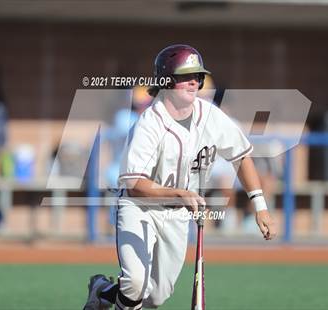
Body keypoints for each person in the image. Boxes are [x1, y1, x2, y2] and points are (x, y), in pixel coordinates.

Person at [82, 44, 276, 310]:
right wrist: (181, 194)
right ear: (167, 81)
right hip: (139, 207)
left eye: (198, 75)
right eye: (186, 75)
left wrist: (260, 206)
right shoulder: (150, 122)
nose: (195, 81)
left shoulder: (209, 115)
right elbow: (135, 184)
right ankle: (115, 294)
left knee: (157, 296)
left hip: (176, 214)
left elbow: (241, 156)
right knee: (135, 284)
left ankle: (103, 292)